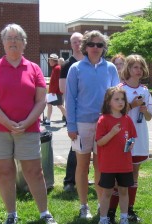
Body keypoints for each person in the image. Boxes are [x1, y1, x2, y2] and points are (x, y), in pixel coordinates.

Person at [0, 23, 59, 224]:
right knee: (4, 171)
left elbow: (41, 100)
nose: (13, 41)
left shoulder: (33, 68)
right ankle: (11, 215)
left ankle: (44, 213)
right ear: (3, 43)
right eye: (9, 38)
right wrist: (8, 123)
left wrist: (27, 122)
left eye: (18, 38)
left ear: (24, 43)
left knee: (35, 171)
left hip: (28, 127)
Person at [66, 30, 120, 219]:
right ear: (85, 47)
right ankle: (83, 205)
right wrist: (71, 126)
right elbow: (70, 98)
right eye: (92, 44)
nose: (95, 48)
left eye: (99, 45)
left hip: (104, 125)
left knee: (100, 167)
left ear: (104, 48)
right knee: (82, 166)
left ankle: (100, 204)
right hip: (81, 124)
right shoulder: (76, 68)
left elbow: (116, 97)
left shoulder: (111, 68)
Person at [107, 54, 152, 224]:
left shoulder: (145, 90)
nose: (138, 70)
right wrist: (131, 105)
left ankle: (130, 210)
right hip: (122, 137)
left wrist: (144, 110)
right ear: (128, 69)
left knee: (134, 173)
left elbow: (149, 117)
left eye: (141, 67)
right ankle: (111, 211)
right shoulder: (119, 89)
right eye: (135, 67)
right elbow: (113, 114)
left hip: (139, 136)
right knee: (118, 174)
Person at [96, 87, 137, 224]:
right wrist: (112, 133)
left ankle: (124, 219)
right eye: (116, 99)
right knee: (107, 192)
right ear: (108, 102)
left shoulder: (127, 119)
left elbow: (132, 137)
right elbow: (100, 142)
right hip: (108, 164)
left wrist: (131, 143)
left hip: (124, 164)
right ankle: (103, 220)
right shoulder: (103, 119)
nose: (120, 102)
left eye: (122, 99)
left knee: (124, 191)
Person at [59, 32, 84, 192]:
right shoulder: (67, 65)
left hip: (91, 111)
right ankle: (69, 181)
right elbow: (62, 88)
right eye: (74, 42)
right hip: (75, 111)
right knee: (76, 146)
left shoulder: (91, 62)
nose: (77, 44)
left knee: (87, 147)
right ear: (71, 45)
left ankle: (82, 177)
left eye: (79, 41)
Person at [43, 53, 66, 126]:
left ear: (53, 61)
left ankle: (69, 119)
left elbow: (57, 81)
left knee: (59, 105)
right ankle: (48, 120)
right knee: (51, 105)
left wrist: (52, 91)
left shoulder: (57, 68)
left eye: (50, 60)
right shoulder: (56, 68)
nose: (49, 62)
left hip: (55, 92)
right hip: (54, 91)